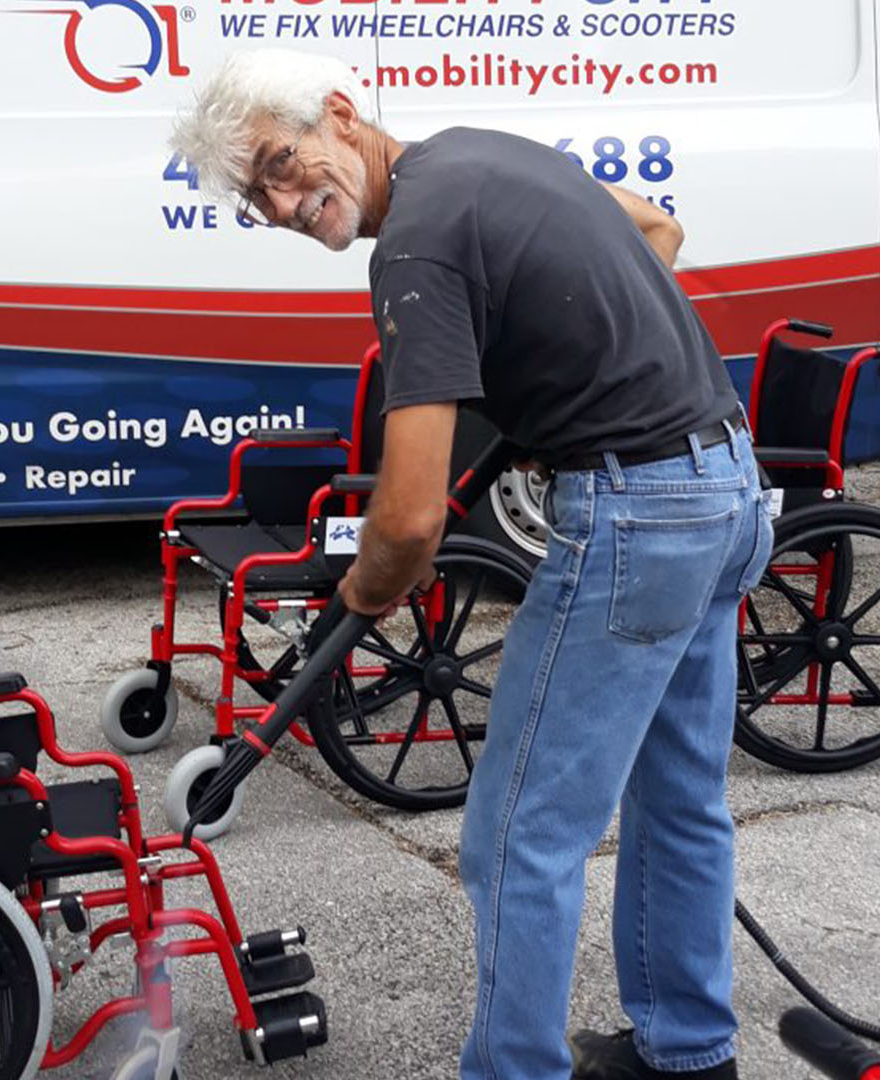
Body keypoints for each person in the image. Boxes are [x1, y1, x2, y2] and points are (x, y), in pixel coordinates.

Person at [171, 49, 773, 1080]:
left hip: (642, 517)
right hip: (726, 485)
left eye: (278, 162)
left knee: (517, 831)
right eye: (250, 192)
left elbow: (405, 522)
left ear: (340, 116)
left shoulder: (412, 248)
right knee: (678, 797)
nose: (276, 201)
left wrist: (360, 592)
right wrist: (570, 384)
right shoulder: (481, 156)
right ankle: (691, 1051)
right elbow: (656, 231)